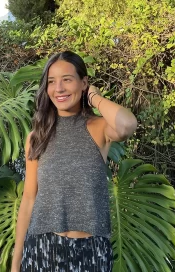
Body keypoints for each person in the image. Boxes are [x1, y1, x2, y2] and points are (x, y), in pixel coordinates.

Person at [11, 51, 137, 272]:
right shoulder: (37, 137)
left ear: (84, 82)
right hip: (42, 249)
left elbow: (126, 124)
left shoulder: (98, 128)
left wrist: (94, 97)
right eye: (51, 82)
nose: (58, 89)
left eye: (67, 80)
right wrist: (15, 266)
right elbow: (29, 199)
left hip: (91, 251)